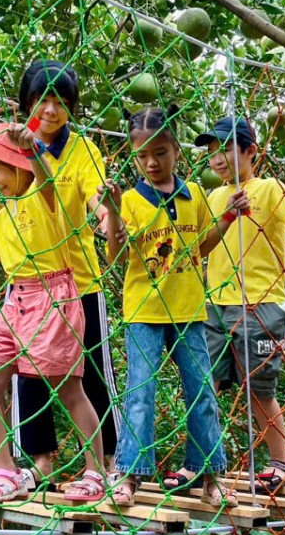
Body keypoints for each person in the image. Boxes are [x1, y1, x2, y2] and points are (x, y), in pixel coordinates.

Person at [0, 61, 119, 486]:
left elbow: (89, 196)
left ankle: (105, 464)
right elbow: (12, 213)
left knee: (88, 376)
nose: (51, 109)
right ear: (26, 102)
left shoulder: (79, 150)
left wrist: (107, 215)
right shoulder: (8, 149)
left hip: (75, 281)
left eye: (61, 102)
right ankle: (35, 463)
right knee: (25, 381)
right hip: (25, 290)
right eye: (42, 99)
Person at [100, 106, 249, 508]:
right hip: (144, 313)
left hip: (189, 311)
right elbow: (114, 257)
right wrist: (113, 212)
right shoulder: (129, 200)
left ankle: (209, 476)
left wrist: (228, 218)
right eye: (143, 154)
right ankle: (129, 476)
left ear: (176, 150)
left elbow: (200, 246)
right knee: (140, 394)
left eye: (161, 152)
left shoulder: (194, 195)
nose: (151, 162)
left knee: (202, 392)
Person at [201, 116, 285, 491]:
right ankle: (204, 464)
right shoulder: (212, 197)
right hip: (215, 304)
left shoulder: (269, 189)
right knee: (206, 386)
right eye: (211, 151)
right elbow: (199, 245)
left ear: (250, 151)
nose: (215, 158)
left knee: (258, 390)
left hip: (259, 304)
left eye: (225, 149)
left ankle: (280, 463)